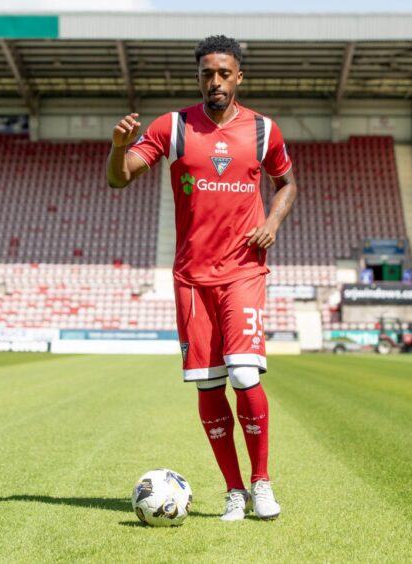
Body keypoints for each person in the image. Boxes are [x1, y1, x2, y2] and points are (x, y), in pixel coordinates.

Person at [106, 35, 297, 521]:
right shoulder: (172, 126)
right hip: (191, 278)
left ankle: (262, 482)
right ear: (199, 78)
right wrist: (117, 149)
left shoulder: (263, 130)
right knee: (209, 387)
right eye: (206, 74)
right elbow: (119, 177)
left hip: (243, 270)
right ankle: (234, 491)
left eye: (223, 73)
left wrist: (272, 222)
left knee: (244, 373)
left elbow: (287, 183)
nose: (215, 81)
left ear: (238, 77)